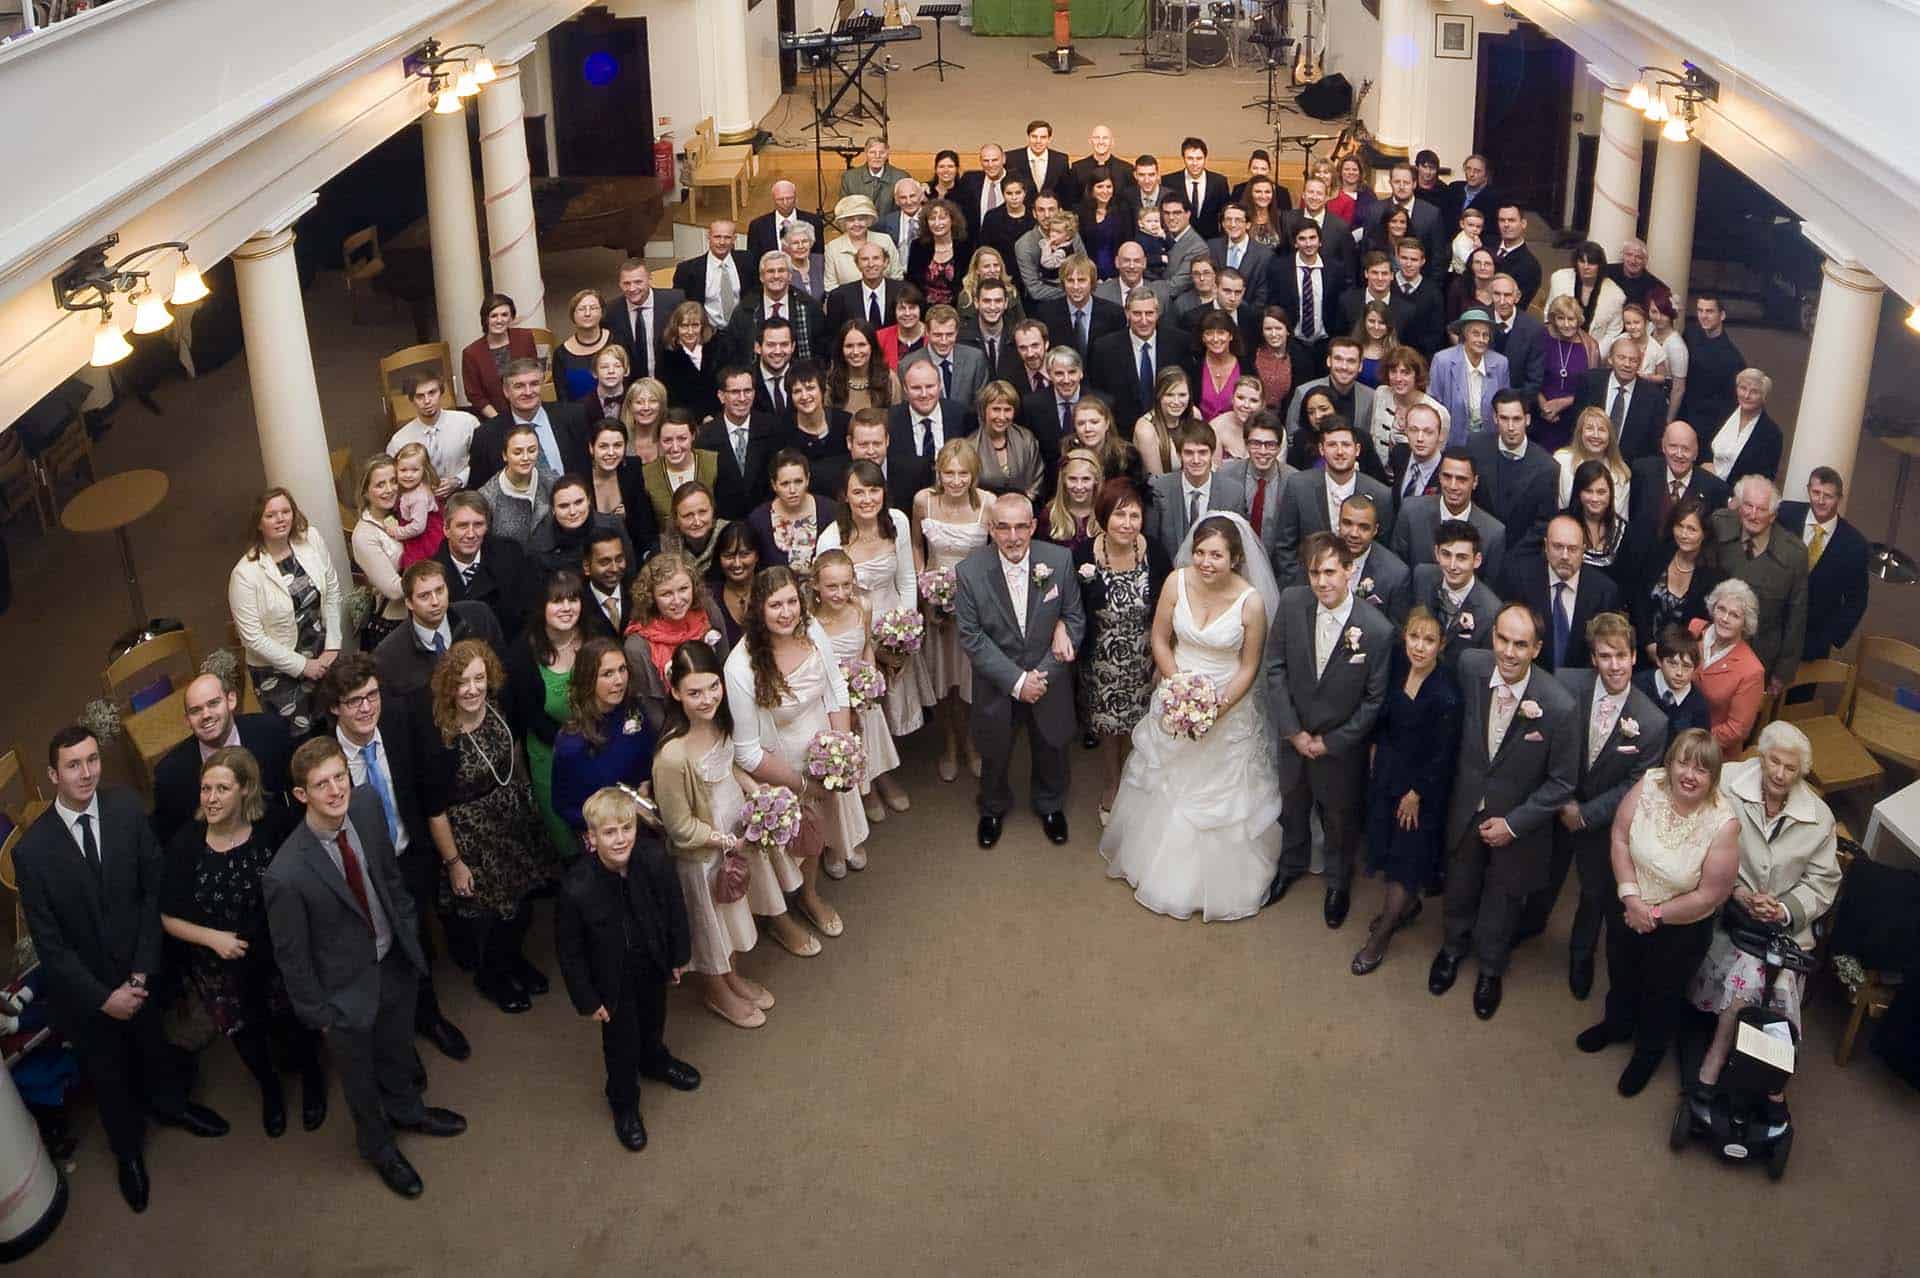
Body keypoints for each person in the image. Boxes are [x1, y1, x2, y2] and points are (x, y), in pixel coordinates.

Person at [17, 726, 230, 1212]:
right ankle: (129, 1154)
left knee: (156, 1046)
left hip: (140, 972)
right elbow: (51, 947)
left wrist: (139, 974)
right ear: (53, 775)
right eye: (73, 765)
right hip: (88, 997)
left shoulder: (127, 808)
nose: (87, 772)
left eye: (92, 760)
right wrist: (103, 996)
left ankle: (174, 1107)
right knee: (109, 1077)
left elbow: (153, 892)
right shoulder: (32, 853)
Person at [266, 738, 466, 1200]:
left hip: (393, 961)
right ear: (302, 796)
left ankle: (409, 1111)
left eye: (340, 777)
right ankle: (378, 1147)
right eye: (322, 784)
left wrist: (409, 939)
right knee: (358, 1081)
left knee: (398, 1050)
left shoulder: (369, 805)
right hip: (342, 997)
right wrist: (321, 1016)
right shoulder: (286, 873)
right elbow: (292, 959)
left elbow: (390, 878)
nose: (336, 790)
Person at [1101, 512, 1279, 920]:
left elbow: (1250, 667)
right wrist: (1179, 688)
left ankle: (1217, 885)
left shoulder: (1251, 602)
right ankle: (1150, 864)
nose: (1205, 562)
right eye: (1199, 552)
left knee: (1219, 797)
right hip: (1175, 693)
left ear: (1234, 558)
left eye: (1216, 555)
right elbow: (1160, 640)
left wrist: (1215, 707)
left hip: (1227, 704)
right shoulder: (1175, 581)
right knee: (1164, 782)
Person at [1685, 721, 1840, 1130]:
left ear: (1800, 772)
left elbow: (1824, 883)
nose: (1779, 774)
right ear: (1762, 755)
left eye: (1791, 768)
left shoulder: (1818, 818)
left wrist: (1786, 908)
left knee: (1776, 978)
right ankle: (1746, 1074)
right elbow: (1701, 836)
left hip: (1783, 929)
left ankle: (1750, 1074)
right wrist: (1732, 889)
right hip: (1728, 911)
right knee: (1754, 975)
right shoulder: (1730, 782)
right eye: (1773, 761)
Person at [1428, 604, 1580, 1020]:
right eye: (1503, 640)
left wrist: (1514, 824)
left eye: (1520, 644)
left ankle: (1491, 969)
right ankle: (1452, 949)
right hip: (1466, 806)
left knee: (1503, 900)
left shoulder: (1559, 706)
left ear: (1537, 649)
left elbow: (1562, 784)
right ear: (1492, 637)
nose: (1509, 653)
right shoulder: (1470, 666)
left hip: (1518, 824)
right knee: (1459, 885)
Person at [319, 658, 472, 1066]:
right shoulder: (322, 755)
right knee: (380, 957)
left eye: (372, 696)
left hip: (410, 854)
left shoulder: (401, 718)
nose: (367, 708)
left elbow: (425, 789)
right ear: (335, 707)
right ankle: (400, 1045)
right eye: (354, 701)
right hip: (361, 875)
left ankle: (430, 1016)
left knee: (418, 938)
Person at [162, 748, 319, 1137]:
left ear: (245, 790)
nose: (211, 798)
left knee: (295, 1024)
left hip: (277, 952)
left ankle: (314, 1083)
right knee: (247, 1035)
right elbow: (168, 917)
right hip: (221, 966)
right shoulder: (186, 844)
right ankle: (270, 1092)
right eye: (205, 789)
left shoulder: (272, 824)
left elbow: (304, 872)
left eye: (222, 789)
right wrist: (214, 939)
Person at [1577, 729, 1739, 1095]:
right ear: (1670, 763)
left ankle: (1648, 1052)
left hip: (1679, 926)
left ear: (1713, 778)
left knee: (1661, 992)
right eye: (1683, 762)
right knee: (1620, 969)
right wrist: (1631, 897)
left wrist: (1652, 914)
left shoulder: (1723, 824)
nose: (1689, 774)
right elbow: (1619, 836)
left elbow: (1711, 895)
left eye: (1701, 769)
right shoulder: (1650, 783)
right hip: (1627, 900)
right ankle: (1617, 1025)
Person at [1516, 613, 1669, 995]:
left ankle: (1581, 954)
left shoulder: (1652, 722)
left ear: (1634, 657)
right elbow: (1546, 742)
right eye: (1605, 656)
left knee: (1594, 892)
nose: (1614, 665)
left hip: (1602, 821)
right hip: (1556, 802)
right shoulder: (1566, 685)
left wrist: (1586, 814)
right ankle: (1531, 923)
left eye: (1620, 655)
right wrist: (1562, 799)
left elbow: (1638, 784)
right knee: (1544, 871)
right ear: (1593, 659)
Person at [554, 784, 699, 1153]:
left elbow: (674, 910)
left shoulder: (654, 859)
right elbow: (569, 953)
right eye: (609, 832)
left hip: (652, 962)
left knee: (654, 1019)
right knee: (620, 1045)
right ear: (591, 838)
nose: (620, 839)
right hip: (611, 982)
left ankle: (654, 1060)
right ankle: (624, 1103)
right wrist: (587, 1000)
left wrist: (678, 957)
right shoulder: (576, 888)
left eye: (627, 828)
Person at [1266, 531, 1396, 924]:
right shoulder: (1291, 604)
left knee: (1339, 818)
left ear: (1349, 571)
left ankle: (1339, 882)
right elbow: (1274, 668)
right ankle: (1291, 864)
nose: (1321, 582)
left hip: (1339, 748)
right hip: (1295, 735)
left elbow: (1375, 700)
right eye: (1313, 573)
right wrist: (1293, 732)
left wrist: (1332, 742)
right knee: (1292, 805)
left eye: (1329, 572)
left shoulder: (1376, 629)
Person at [649, 640, 774, 1029]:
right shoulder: (671, 756)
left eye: (713, 687)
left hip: (735, 832)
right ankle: (715, 990)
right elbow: (679, 826)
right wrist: (725, 842)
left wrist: (756, 790)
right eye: (694, 693)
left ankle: (731, 976)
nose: (707, 700)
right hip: (703, 851)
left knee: (732, 913)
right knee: (710, 922)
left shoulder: (721, 721)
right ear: (675, 692)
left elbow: (727, 766)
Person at [724, 566, 860, 919]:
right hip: (781, 762)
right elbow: (747, 752)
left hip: (823, 740)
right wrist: (802, 784)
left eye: (791, 602)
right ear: (758, 609)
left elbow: (835, 688)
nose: (786, 613)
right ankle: (805, 898)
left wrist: (840, 748)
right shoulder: (741, 666)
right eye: (775, 605)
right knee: (801, 836)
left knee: (825, 821)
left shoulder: (812, 629)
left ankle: (826, 865)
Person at [422, 639, 549, 1014]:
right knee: (498, 915)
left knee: (523, 905)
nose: (473, 688)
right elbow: (435, 810)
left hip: (511, 822)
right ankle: (491, 975)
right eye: (463, 682)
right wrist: (454, 863)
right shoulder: (441, 735)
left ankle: (513, 961)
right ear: (449, 686)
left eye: (479, 678)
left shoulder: (494, 707)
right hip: (471, 837)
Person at [954, 493, 1085, 848]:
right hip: (998, 682)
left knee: (1052, 744)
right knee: (994, 748)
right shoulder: (969, 572)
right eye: (1003, 527)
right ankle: (992, 807)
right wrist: (1017, 681)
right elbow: (971, 636)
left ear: (1032, 527)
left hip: (1048, 678)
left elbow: (1074, 618)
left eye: (1020, 527)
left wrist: (1040, 675)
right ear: (991, 529)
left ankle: (1050, 804)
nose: (1013, 537)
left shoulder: (1058, 560)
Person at [1352, 608, 1461, 972]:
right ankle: (1407, 907)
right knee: (1386, 846)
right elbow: (1383, 720)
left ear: (1441, 645)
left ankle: (1382, 933)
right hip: (1387, 776)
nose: (1419, 646)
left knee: (1405, 860)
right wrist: (1374, 749)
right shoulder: (1399, 670)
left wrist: (1415, 794)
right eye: (1414, 637)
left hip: (1418, 792)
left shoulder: (1446, 694)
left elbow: (1441, 756)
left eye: (1429, 640)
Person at [818, 460, 926, 747]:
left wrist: (905, 634)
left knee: (893, 706)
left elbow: (905, 580)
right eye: (858, 492)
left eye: (873, 490)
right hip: (854, 629)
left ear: (883, 492)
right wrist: (871, 648)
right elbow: (829, 602)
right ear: (845, 496)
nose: (867, 499)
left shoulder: (898, 522)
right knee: (867, 712)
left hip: (895, 624)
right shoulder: (831, 537)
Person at [229, 487, 343, 736]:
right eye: (271, 515)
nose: (280, 519)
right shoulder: (245, 574)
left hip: (322, 652)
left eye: (285, 511)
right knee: (300, 742)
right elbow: (252, 638)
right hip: (278, 671)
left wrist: (332, 645)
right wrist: (303, 666)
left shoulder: (311, 538)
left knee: (336, 723)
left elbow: (332, 590)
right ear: (258, 523)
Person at [912, 438, 993, 781]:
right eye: (949, 473)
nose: (956, 481)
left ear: (974, 475)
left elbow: (997, 554)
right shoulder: (923, 501)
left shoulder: (989, 503)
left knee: (972, 679)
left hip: (978, 603)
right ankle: (948, 743)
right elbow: (917, 544)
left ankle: (972, 744)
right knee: (944, 681)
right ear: (938, 473)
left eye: (964, 473)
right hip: (936, 607)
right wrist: (924, 588)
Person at [810, 548, 905, 828]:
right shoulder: (811, 620)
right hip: (832, 699)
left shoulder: (862, 606)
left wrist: (871, 679)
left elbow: (865, 646)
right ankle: (867, 793)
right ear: (816, 585)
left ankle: (880, 778)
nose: (840, 593)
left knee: (872, 738)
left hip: (861, 693)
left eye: (846, 585)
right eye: (831, 587)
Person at [150, 670, 292, 846]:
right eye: (196, 711)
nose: (206, 715)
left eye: (213, 703)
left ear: (231, 700)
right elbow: (172, 842)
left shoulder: (271, 733)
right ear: (187, 720)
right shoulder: (170, 775)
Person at [503, 570, 589, 859]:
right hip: (550, 755)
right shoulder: (521, 655)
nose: (567, 608)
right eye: (557, 601)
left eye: (573, 599)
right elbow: (530, 718)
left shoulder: (594, 634)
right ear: (541, 606)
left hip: (598, 747)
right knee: (567, 842)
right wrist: (577, 744)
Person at [1703, 475, 1809, 693]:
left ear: (1773, 515)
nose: (1752, 515)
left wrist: (1782, 674)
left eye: (1761, 509)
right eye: (1748, 506)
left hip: (1760, 659)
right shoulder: (1719, 524)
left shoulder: (1793, 554)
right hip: (1711, 648)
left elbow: (1796, 617)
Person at [1273, 418, 1392, 585]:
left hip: (1358, 587)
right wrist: (1302, 583)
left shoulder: (1380, 495)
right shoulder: (1298, 486)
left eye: (1346, 445)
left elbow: (1382, 550)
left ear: (1357, 450)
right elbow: (1285, 545)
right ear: (1321, 449)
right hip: (1308, 585)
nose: (1340, 451)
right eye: (1332, 445)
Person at [623, 551, 730, 733]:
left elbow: (725, 665)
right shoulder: (637, 646)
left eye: (683, 589)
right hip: (676, 728)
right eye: (666, 594)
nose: (678, 600)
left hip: (719, 715)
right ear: (651, 596)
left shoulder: (708, 612)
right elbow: (653, 708)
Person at [372, 560, 505, 703]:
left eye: (440, 591)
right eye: (425, 596)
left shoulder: (479, 617)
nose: (435, 602)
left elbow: (502, 672)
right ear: (409, 603)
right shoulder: (388, 654)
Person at [1502, 513, 1623, 672]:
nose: (1565, 556)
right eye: (1558, 547)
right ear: (1546, 546)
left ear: (1583, 550)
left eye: (1572, 549)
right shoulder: (1519, 579)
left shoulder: (1604, 592)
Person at [1779, 466, 1870, 665]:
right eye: (1816, 492)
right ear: (1808, 490)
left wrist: (1830, 638)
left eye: (1828, 496)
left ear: (1839, 498)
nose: (1820, 500)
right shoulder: (1785, 514)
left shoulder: (1855, 545)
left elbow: (1857, 600)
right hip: (1770, 630)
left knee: (1800, 697)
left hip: (1813, 644)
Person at [470, 358, 592, 491]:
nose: (528, 392)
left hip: (572, 508)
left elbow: (587, 471)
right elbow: (479, 490)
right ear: (506, 391)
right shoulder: (486, 435)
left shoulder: (573, 417)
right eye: (519, 386)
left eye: (534, 384)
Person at [1631, 496, 1723, 667]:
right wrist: (1649, 644)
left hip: (1682, 662)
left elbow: (1704, 626)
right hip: (1643, 650)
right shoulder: (1657, 554)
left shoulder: (1714, 576)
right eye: (1679, 526)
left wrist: (1673, 657)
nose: (1684, 534)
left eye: (1692, 529)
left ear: (1705, 534)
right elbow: (1639, 601)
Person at [1146, 421, 1248, 564]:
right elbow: (1151, 544)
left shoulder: (1233, 492)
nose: (1196, 460)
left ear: (1212, 453)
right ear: (1178, 454)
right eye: (1188, 453)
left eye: (1202, 452)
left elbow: (1236, 547)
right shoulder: (1159, 488)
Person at [438, 492, 534, 642]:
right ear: (446, 529)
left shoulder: (510, 556)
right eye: (462, 526)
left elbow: (527, 616)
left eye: (478, 525)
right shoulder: (433, 572)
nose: (471, 534)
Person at [701, 366, 790, 521]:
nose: (742, 398)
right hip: (724, 524)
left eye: (747, 391)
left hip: (768, 519)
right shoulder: (705, 436)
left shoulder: (773, 428)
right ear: (721, 396)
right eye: (735, 392)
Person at [1690, 578, 1767, 753]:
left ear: (1745, 623)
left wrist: (1692, 740)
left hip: (1712, 751)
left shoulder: (1752, 670)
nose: (1725, 619)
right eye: (1721, 609)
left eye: (1735, 615)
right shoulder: (1694, 630)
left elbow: (1736, 729)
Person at [530, 475, 637, 593]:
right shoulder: (541, 543)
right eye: (564, 506)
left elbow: (629, 574)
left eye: (578, 502)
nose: (573, 512)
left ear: (589, 501)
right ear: (553, 510)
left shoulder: (612, 526)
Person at [1572, 335, 1664, 464]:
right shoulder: (1589, 382)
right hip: (1587, 462)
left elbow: (1654, 445)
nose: (1627, 364)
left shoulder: (1654, 397)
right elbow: (1575, 424)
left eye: (1633, 360)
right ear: (1610, 358)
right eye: (1621, 358)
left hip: (1629, 470)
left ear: (1640, 363)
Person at [352, 456, 410, 649]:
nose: (389, 489)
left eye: (393, 481)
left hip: (422, 614)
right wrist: (435, 574)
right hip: (397, 624)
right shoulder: (364, 534)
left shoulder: (403, 514)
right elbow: (393, 590)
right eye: (380, 484)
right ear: (366, 492)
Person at [748, 447, 837, 573]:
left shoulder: (830, 511)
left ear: (807, 480)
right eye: (785, 484)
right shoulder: (758, 520)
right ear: (774, 485)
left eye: (798, 481)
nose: (792, 490)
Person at [387, 373, 476, 495]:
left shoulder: (467, 423)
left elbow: (484, 462)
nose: (427, 401)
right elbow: (392, 480)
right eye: (420, 396)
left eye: (432, 393)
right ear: (412, 400)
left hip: (466, 492)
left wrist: (459, 480)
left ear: (441, 393)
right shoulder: (399, 440)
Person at [586, 419, 659, 565]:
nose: (611, 452)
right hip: (591, 559)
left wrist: (628, 517)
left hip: (630, 556)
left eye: (617, 445)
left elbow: (646, 527)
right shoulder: (581, 478)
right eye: (603, 446)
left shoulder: (632, 470)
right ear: (591, 448)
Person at [459, 293, 538, 421]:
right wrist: (499, 421)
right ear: (485, 319)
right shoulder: (471, 353)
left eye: (504, 315)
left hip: (530, 411)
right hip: (494, 417)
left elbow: (535, 374)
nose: (499, 320)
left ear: (511, 317)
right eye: (494, 316)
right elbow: (475, 396)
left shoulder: (525, 337)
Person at [605, 257, 684, 384]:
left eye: (638, 282)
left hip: (671, 385)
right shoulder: (611, 311)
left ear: (649, 279)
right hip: (631, 390)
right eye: (626, 283)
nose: (632, 288)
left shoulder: (675, 301)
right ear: (619, 284)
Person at [1371, 349, 1448, 478]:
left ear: (1416, 375)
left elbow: (1436, 459)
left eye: (1405, 373)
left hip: (1415, 482)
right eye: (1393, 372)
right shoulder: (1381, 393)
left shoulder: (1438, 411)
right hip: (1379, 477)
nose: (1398, 378)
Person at [779, 364, 852, 500]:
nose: (804, 396)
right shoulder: (782, 430)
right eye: (797, 391)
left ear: (822, 390)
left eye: (810, 388)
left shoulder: (844, 422)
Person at [476, 423, 555, 548]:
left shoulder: (552, 482)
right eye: (517, 452)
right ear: (505, 455)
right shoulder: (487, 497)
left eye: (532, 451)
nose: (525, 457)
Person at [1535, 295, 1597, 453]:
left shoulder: (1589, 346)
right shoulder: (1541, 337)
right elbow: (1530, 374)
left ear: (1579, 320)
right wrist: (1543, 404)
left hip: (1572, 419)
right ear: (1553, 319)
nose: (1567, 324)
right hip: (1539, 414)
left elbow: (1593, 387)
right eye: (1560, 318)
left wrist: (1562, 403)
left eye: (1571, 319)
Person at [1676, 293, 1746, 429]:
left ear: (1722, 316)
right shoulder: (1690, 333)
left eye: (1709, 311)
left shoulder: (1732, 359)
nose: (1703, 316)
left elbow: (1731, 402)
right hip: (1684, 413)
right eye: (1700, 310)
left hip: (1709, 424)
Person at [1705, 368, 1784, 487]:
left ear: (1764, 397)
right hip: (1706, 485)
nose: (1746, 395)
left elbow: (1765, 479)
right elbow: (1703, 447)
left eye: (1754, 392)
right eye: (1743, 388)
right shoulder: (1720, 414)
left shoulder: (1772, 434)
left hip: (1736, 499)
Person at [642, 411, 720, 529]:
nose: (675, 448)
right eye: (667, 440)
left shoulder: (714, 463)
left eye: (682, 439)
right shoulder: (646, 474)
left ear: (693, 435)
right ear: (658, 440)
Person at [971, 378, 1044, 503]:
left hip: (1023, 510)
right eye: (996, 409)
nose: (1002, 417)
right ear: (984, 410)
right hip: (986, 513)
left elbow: (1036, 481)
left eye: (1007, 410)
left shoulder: (1026, 438)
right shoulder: (971, 446)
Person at [672, 219, 755, 328]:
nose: (722, 242)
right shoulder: (687, 269)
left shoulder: (748, 261)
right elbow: (680, 306)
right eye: (717, 237)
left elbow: (755, 294)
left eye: (727, 237)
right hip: (707, 334)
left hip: (742, 331)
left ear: (734, 239)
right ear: (709, 237)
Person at [1546, 242, 1627, 350]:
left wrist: (1594, 355)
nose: (1586, 267)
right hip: (1558, 344)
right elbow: (1549, 314)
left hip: (1593, 351)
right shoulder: (1559, 279)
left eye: (1591, 263)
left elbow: (1613, 332)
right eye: (1582, 261)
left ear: (1600, 265)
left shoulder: (1616, 295)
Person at [1636, 625, 1713, 737]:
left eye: (1686, 666)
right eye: (1672, 664)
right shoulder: (1638, 686)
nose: (1679, 673)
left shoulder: (1699, 707)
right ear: (1659, 660)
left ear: (1695, 668)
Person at [658, 300, 728, 421]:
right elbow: (672, 399)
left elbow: (724, 386)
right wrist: (700, 418)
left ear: (702, 326)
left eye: (695, 325)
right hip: (685, 421)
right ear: (676, 328)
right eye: (684, 326)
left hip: (718, 417)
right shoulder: (667, 356)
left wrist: (713, 415)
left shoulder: (717, 349)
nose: (690, 332)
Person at [823, 195, 901, 291]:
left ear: (868, 220)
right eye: (851, 220)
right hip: (847, 303)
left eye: (861, 219)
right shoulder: (832, 248)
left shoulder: (885, 240)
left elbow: (896, 276)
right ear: (843, 223)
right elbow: (830, 285)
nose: (857, 224)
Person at [1132, 364, 1199, 476]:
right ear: (1159, 396)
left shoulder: (1194, 415)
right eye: (1169, 395)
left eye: (1182, 395)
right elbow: (1156, 482)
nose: (1176, 401)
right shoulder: (1146, 429)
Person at [551, 288, 615, 403]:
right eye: (581, 309)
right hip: (578, 417)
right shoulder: (561, 354)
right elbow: (562, 397)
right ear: (573, 315)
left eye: (593, 308)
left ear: (602, 312)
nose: (587, 313)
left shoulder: (617, 341)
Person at [746, 178, 825, 258]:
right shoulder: (757, 227)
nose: (785, 203)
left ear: (795, 198)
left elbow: (818, 256)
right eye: (780, 199)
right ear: (773, 199)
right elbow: (753, 260)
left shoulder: (813, 222)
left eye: (789, 198)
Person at [710, 522, 759, 648]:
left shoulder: (771, 591)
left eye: (744, 555)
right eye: (729, 556)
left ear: (757, 556)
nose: (737, 564)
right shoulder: (708, 598)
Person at [1489, 204, 1542, 309]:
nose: (1506, 224)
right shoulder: (1487, 249)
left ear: (1523, 224)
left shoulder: (1530, 266)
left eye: (1511, 220)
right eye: (1502, 220)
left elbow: (1517, 305)